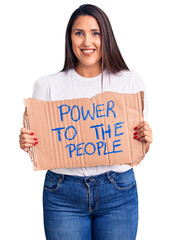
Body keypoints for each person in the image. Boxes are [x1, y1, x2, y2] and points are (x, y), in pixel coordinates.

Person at [19, 4, 152, 240]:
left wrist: (145, 138)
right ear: (69, 38)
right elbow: (39, 143)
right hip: (63, 193)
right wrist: (28, 142)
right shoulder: (47, 85)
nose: (87, 41)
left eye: (95, 33)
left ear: (106, 37)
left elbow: (134, 141)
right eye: (79, 33)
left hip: (118, 191)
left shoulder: (130, 82)